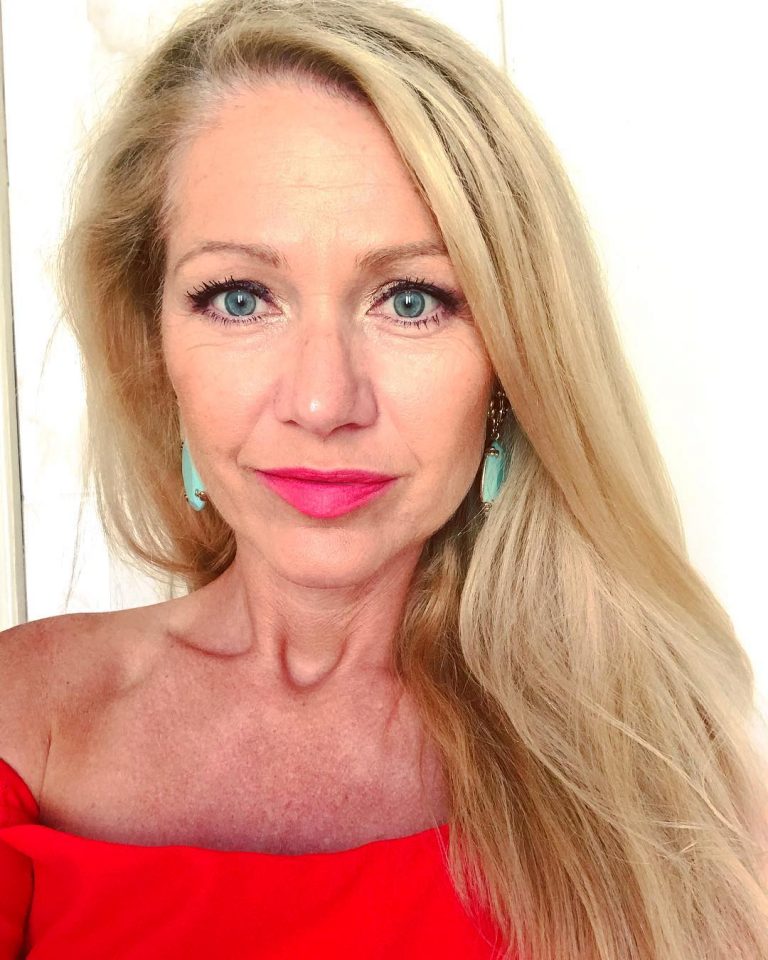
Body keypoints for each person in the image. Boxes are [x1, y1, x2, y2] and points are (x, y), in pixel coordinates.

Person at [1, 0, 767, 957]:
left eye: (411, 301)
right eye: (240, 297)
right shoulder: (22, 721)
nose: (324, 401)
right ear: (153, 344)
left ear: (515, 363)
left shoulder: (671, 790)